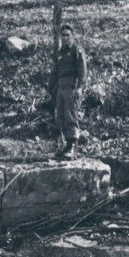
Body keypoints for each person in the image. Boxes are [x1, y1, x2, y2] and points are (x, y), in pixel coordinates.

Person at [47, 24, 88, 158]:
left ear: (72, 36)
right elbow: (55, 72)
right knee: (61, 117)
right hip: (60, 87)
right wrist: (50, 88)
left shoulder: (76, 50)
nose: (65, 38)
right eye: (63, 35)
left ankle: (72, 146)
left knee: (71, 116)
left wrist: (80, 87)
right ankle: (67, 145)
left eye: (67, 35)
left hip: (72, 86)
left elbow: (82, 69)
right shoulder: (60, 53)